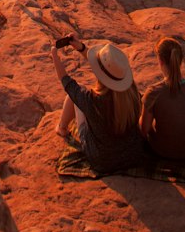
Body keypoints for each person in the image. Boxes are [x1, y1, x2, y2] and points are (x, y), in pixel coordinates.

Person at [51, 35, 147, 173]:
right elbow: (105, 70)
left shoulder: (93, 100)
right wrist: (82, 48)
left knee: (77, 93)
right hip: (133, 155)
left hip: (103, 160)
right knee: (79, 95)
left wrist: (54, 56)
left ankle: (62, 128)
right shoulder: (132, 92)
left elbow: (67, 82)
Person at [139, 36, 185, 160]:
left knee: (140, 117)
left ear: (160, 61)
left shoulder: (154, 92)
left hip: (162, 151)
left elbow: (144, 130)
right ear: (180, 60)